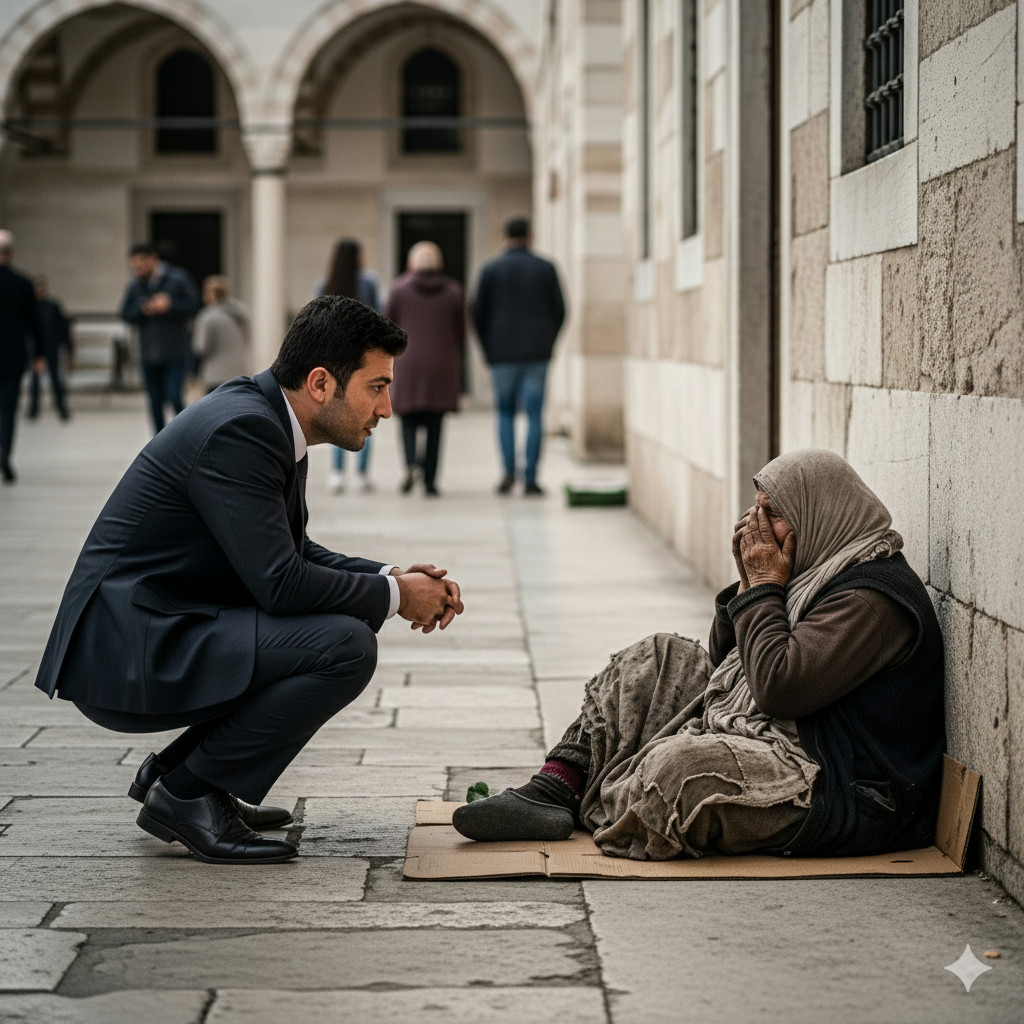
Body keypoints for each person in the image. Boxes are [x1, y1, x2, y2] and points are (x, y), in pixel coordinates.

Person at [35, 295, 465, 865]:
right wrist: (397, 598)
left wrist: (392, 577)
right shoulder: (242, 429)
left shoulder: (268, 419)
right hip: (128, 647)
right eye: (377, 386)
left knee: (339, 627)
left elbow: (291, 552)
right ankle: (187, 794)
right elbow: (282, 584)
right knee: (343, 645)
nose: (387, 408)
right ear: (320, 383)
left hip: (157, 623)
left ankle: (181, 774)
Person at [454, 450, 945, 861]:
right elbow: (725, 661)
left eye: (773, 515)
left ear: (821, 516)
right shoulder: (816, 573)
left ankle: (601, 795)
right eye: (755, 512)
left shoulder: (868, 599)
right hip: (784, 735)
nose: (757, 530)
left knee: (681, 768)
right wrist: (751, 586)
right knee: (656, 657)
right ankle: (557, 787)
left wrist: (765, 588)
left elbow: (778, 687)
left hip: (839, 786)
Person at [470, 217, 565, 496]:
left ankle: (509, 472)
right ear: (531, 235)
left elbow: (477, 314)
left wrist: (488, 349)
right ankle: (531, 477)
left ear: (504, 237)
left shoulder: (490, 269)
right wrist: (548, 343)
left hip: (502, 355)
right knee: (535, 415)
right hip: (537, 354)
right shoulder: (546, 268)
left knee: (505, 413)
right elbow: (560, 311)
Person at [385, 241, 465, 497]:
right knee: (435, 424)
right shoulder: (453, 291)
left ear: (412, 264)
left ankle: (411, 465)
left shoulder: (399, 289)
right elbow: (461, 331)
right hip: (442, 364)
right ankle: (430, 480)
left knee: (407, 420)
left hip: (408, 363)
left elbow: (387, 326)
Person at [318, 239, 380, 493]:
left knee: (338, 413)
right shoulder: (368, 284)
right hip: (363, 359)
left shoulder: (324, 285)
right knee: (367, 414)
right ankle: (362, 473)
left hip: (334, 360)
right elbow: (379, 319)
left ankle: (337, 472)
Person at [119, 242, 201, 433]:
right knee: (154, 401)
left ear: (153, 259)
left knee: (174, 396)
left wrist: (169, 306)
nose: (136, 270)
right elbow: (125, 313)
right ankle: (159, 444)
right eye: (134, 267)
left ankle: (187, 436)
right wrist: (143, 309)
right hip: (148, 352)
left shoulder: (177, 279)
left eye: (140, 265)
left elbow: (194, 306)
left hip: (175, 350)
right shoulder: (136, 285)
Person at [0, 229, 41, 484]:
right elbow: (34, 324)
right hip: (12, 357)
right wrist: (39, 355)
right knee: (8, 410)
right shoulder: (23, 283)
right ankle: (5, 452)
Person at [192, 275, 249, 393]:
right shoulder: (240, 312)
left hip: (215, 374)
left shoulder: (207, 316)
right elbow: (247, 337)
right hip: (238, 371)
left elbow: (201, 347)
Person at [28, 276, 73, 421]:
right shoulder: (29, 307)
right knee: (35, 382)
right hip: (35, 350)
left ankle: (61, 408)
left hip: (51, 348)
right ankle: (33, 410)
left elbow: (63, 328)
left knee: (56, 380)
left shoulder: (52, 306)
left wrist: (68, 347)